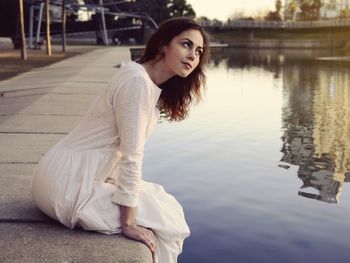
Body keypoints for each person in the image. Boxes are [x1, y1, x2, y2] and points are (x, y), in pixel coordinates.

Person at [31, 17, 209, 263]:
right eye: (186, 44)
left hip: (71, 173)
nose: (192, 56)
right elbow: (131, 155)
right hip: (67, 184)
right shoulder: (137, 82)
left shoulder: (143, 79)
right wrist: (128, 223)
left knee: (165, 204)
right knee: (168, 222)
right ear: (163, 45)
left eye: (198, 51)